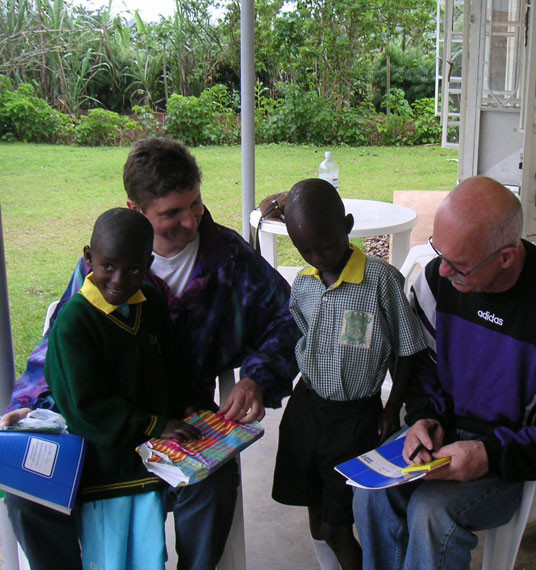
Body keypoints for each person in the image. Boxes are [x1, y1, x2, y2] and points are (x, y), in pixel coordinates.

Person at [1, 137, 300, 570]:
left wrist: (258, 376)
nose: (191, 222)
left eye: (195, 204)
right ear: (135, 209)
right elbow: (60, 353)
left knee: (212, 488)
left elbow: (288, 318)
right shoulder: (105, 266)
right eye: (171, 214)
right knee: (30, 498)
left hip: (178, 415)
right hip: (99, 427)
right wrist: (27, 408)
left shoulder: (229, 258)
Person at [353, 176, 536, 570]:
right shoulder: (437, 281)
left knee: (432, 512)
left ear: (506, 257)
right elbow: (422, 363)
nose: (441, 272)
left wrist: (488, 455)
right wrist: (427, 415)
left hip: (524, 451)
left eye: (458, 265)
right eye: (438, 253)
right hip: (451, 430)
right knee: (370, 495)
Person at [271, 179, 426, 570]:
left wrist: (392, 409)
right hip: (306, 411)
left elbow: (408, 350)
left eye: (325, 244)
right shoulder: (304, 284)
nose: (318, 255)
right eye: (305, 249)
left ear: (347, 226)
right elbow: (301, 337)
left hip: (355, 418)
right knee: (316, 517)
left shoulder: (380, 280)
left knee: (339, 525)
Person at [45, 208, 202, 569]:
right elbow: (87, 409)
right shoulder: (75, 323)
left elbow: (171, 367)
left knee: (149, 555)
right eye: (108, 267)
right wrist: (154, 425)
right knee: (109, 557)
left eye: (133, 269)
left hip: (151, 459)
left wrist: (184, 407)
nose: (119, 280)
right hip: (105, 465)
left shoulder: (149, 300)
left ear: (147, 263)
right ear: (89, 259)